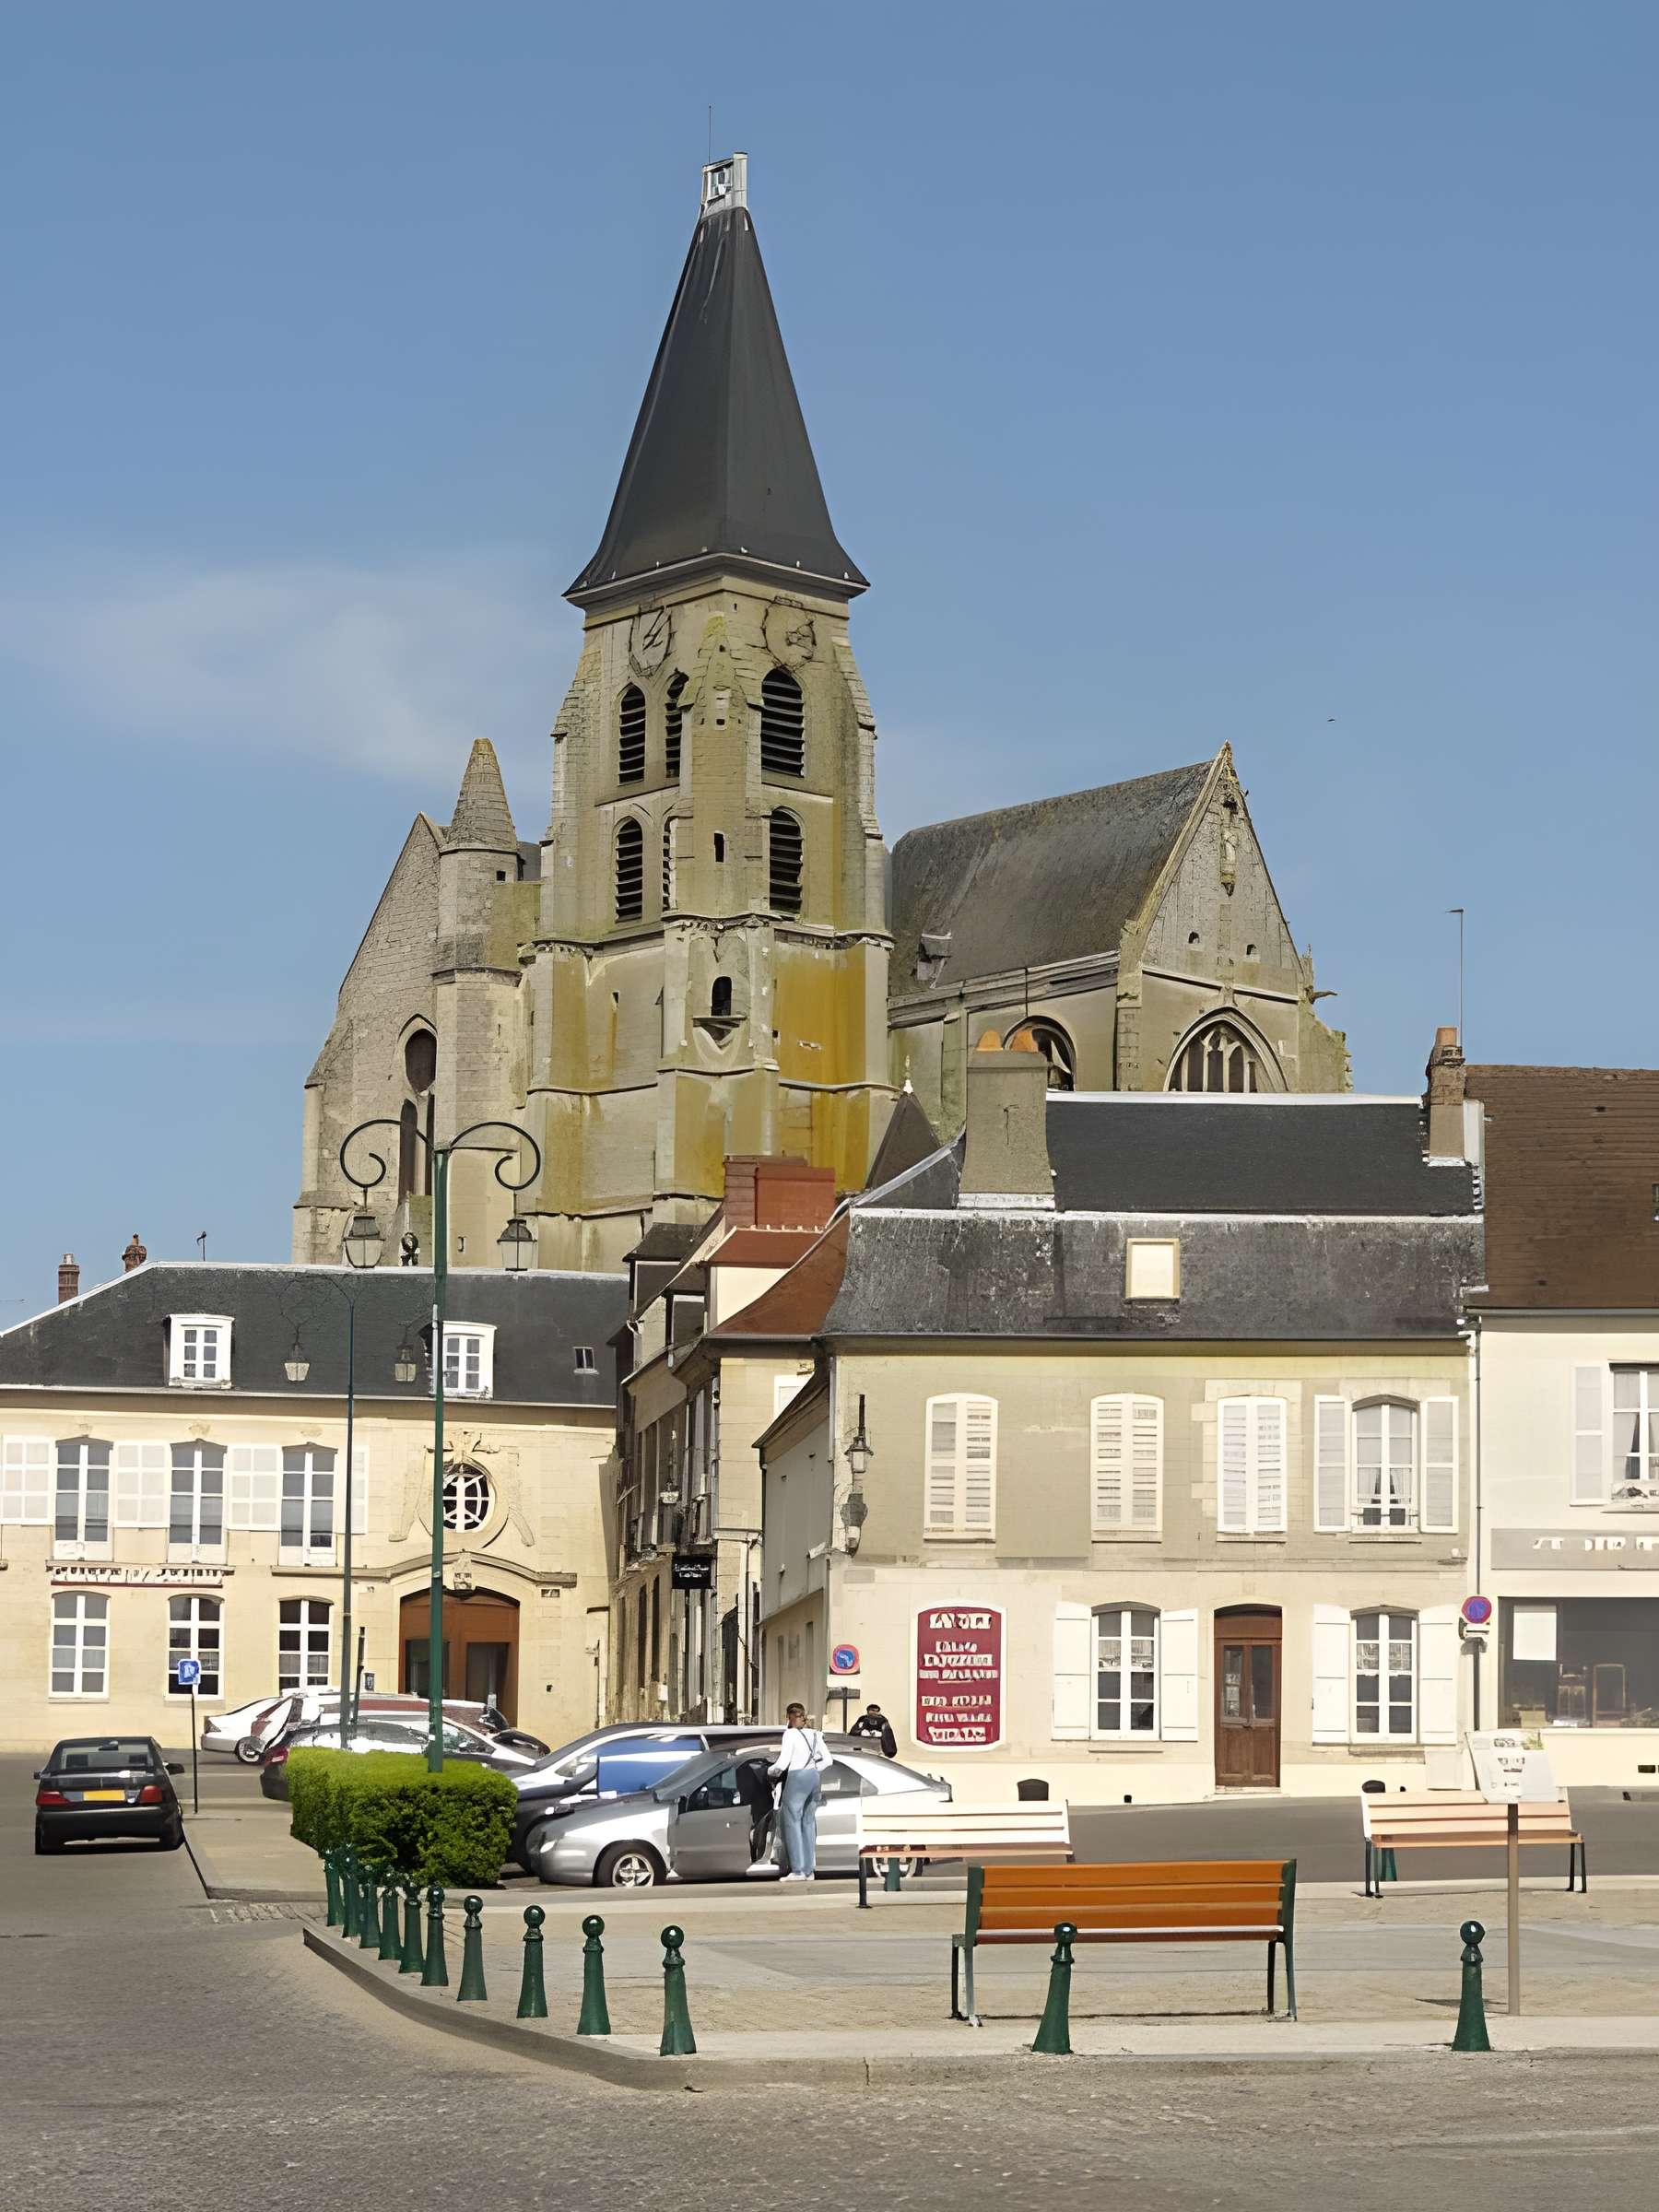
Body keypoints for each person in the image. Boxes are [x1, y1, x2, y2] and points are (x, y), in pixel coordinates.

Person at [767, 1703, 832, 1881]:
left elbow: (783, 1762)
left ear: (789, 1717)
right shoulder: (815, 1734)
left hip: (797, 1778)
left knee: (792, 1822)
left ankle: (797, 1870)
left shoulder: (790, 1734)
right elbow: (829, 1760)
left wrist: (769, 1771)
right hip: (814, 1778)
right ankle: (809, 1870)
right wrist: (813, 1769)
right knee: (808, 1823)